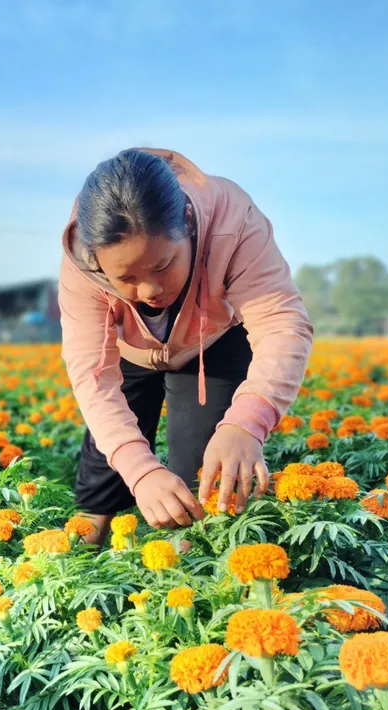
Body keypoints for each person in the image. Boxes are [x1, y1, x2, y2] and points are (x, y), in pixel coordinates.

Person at [59, 148, 313, 544]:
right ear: (96, 261)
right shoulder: (82, 261)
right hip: (130, 349)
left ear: (189, 223)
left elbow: (281, 323)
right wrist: (141, 471)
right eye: (126, 277)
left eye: (162, 265)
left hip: (211, 342)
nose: (150, 290)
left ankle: (194, 566)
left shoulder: (233, 219)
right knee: (105, 473)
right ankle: (76, 563)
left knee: (204, 485)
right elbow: (92, 374)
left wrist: (246, 423)